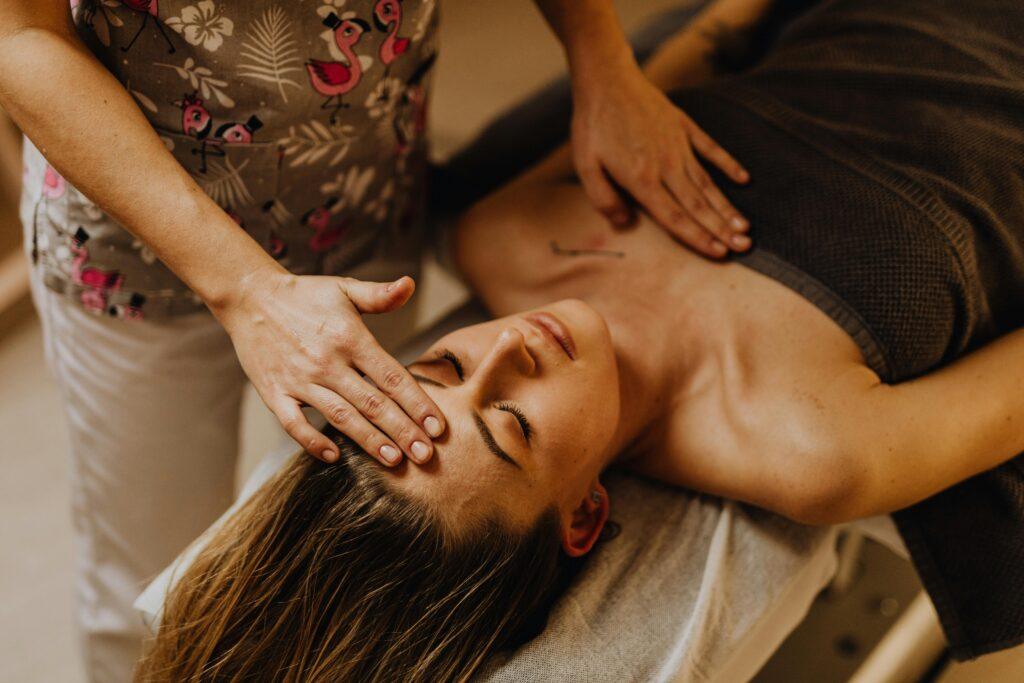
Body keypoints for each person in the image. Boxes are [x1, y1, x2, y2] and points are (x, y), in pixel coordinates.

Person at [137, 0, 1024, 677]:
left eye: (444, 363)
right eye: (513, 424)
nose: (505, 352)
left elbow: (672, 75)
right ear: (588, 513)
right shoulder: (809, 447)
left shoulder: (508, 235)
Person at [0, 0, 755, 678]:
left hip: (362, 190)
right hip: (133, 255)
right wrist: (243, 285)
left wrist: (603, 60)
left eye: (447, 363)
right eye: (453, 367)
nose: (502, 349)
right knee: (139, 569)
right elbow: (20, 33)